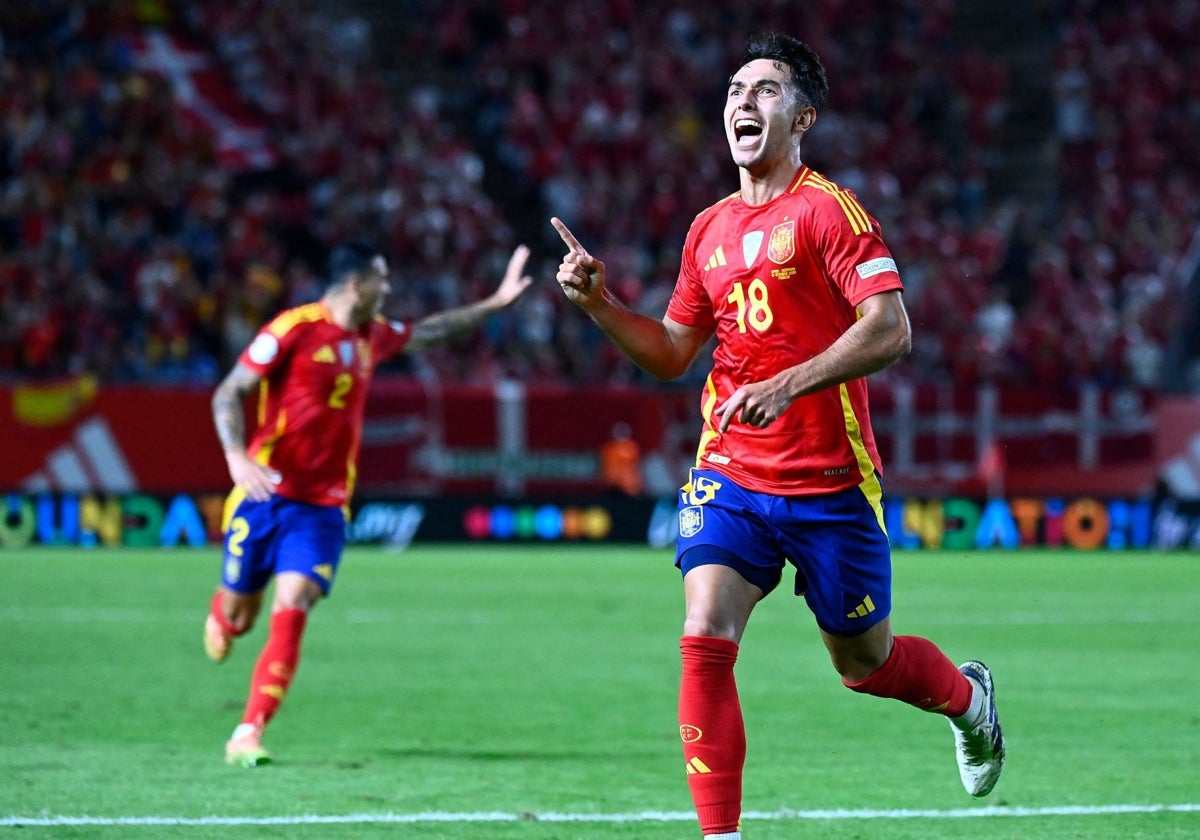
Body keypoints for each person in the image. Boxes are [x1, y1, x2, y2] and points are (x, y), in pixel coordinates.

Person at [552, 32, 1004, 839]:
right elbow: (670, 353)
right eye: (733, 90)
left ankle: (968, 701)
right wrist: (598, 304)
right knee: (703, 633)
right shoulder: (708, 230)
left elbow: (891, 330)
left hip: (829, 482)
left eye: (763, 90)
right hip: (732, 472)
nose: (741, 102)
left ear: (803, 118)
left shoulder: (828, 211)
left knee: (863, 665)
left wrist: (789, 383)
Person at [205, 241, 533, 767]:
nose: (390, 289)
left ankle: (248, 729)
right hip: (264, 494)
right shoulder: (293, 328)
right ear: (356, 285)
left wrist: (495, 303)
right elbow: (230, 391)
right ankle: (224, 617)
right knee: (239, 618)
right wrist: (235, 458)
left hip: (323, 507)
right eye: (383, 279)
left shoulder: (371, 337)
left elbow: (432, 331)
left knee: (295, 602)